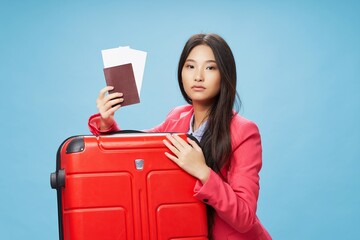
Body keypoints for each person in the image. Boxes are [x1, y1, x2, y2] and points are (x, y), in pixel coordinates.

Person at [88, 33, 272, 240]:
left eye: (210, 67)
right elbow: (136, 150)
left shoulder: (245, 132)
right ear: (181, 72)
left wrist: (203, 172)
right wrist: (107, 123)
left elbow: (245, 217)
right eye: (190, 66)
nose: (198, 76)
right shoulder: (177, 117)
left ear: (225, 75)